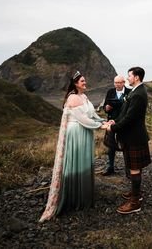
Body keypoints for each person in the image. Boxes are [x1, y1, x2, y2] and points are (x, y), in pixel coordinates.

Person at [39, 71, 105, 222]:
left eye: (84, 80)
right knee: (77, 162)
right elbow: (83, 119)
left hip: (85, 131)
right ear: (75, 83)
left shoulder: (84, 96)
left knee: (84, 162)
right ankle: (74, 197)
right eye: (82, 81)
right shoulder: (73, 97)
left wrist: (103, 121)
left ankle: (83, 194)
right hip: (77, 131)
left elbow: (92, 114)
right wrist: (100, 127)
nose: (85, 82)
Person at [101, 67, 151, 215]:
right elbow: (124, 113)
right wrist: (113, 121)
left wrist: (113, 128)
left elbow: (130, 119)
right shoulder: (135, 91)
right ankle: (136, 193)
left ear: (136, 77)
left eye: (129, 76)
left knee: (134, 168)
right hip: (132, 136)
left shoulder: (138, 94)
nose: (127, 79)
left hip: (134, 137)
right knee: (133, 167)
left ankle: (135, 202)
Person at [102, 75, 131, 176]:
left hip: (124, 123)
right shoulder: (110, 92)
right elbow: (104, 107)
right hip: (111, 122)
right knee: (111, 147)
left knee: (125, 146)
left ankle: (128, 170)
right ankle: (110, 167)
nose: (117, 85)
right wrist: (107, 108)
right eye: (116, 83)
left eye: (119, 82)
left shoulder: (129, 92)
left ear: (124, 82)